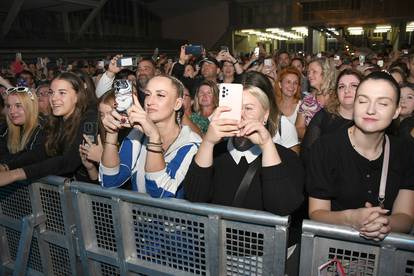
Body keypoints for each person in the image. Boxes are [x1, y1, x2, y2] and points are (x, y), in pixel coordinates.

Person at [183, 84, 304, 274]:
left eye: (248, 108)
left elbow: (281, 207)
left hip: (267, 260)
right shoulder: (214, 153)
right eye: (234, 108)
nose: (240, 115)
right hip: (217, 256)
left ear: (265, 116)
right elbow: (194, 197)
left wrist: (266, 145)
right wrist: (207, 141)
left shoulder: (287, 158)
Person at [307, 71, 414, 241]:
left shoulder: (405, 150)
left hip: (386, 254)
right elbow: (316, 212)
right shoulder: (325, 148)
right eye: (363, 101)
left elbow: (405, 217)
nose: (370, 110)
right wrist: (350, 219)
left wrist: (384, 224)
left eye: (383, 104)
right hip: (332, 249)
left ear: (396, 111)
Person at [99, 75, 201, 198]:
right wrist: (112, 133)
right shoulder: (137, 135)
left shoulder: (191, 143)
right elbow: (110, 181)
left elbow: (160, 193)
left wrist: (154, 137)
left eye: (160, 95)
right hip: (138, 216)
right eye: (147, 94)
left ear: (177, 104)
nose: (150, 102)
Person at [0, 72, 98, 186]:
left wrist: (15, 174)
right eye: (51, 93)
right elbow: (42, 152)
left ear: (77, 96)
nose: (54, 98)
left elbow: (69, 161)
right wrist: (7, 167)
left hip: (93, 197)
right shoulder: (57, 120)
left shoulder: (90, 118)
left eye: (62, 93)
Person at [301, 69, 363, 161]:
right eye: (341, 87)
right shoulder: (323, 117)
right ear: (336, 92)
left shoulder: (369, 119)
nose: (347, 90)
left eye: (354, 86)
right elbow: (307, 154)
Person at [0, 87, 45, 164]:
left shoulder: (44, 129)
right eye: (9, 106)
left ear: (30, 107)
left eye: (18, 106)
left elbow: (29, 159)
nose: (12, 111)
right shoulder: (6, 128)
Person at [295, 57, 337, 139]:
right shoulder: (308, 100)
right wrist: (315, 139)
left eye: (314, 72)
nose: (309, 75)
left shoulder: (339, 97)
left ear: (326, 73)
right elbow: (299, 127)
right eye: (308, 72)